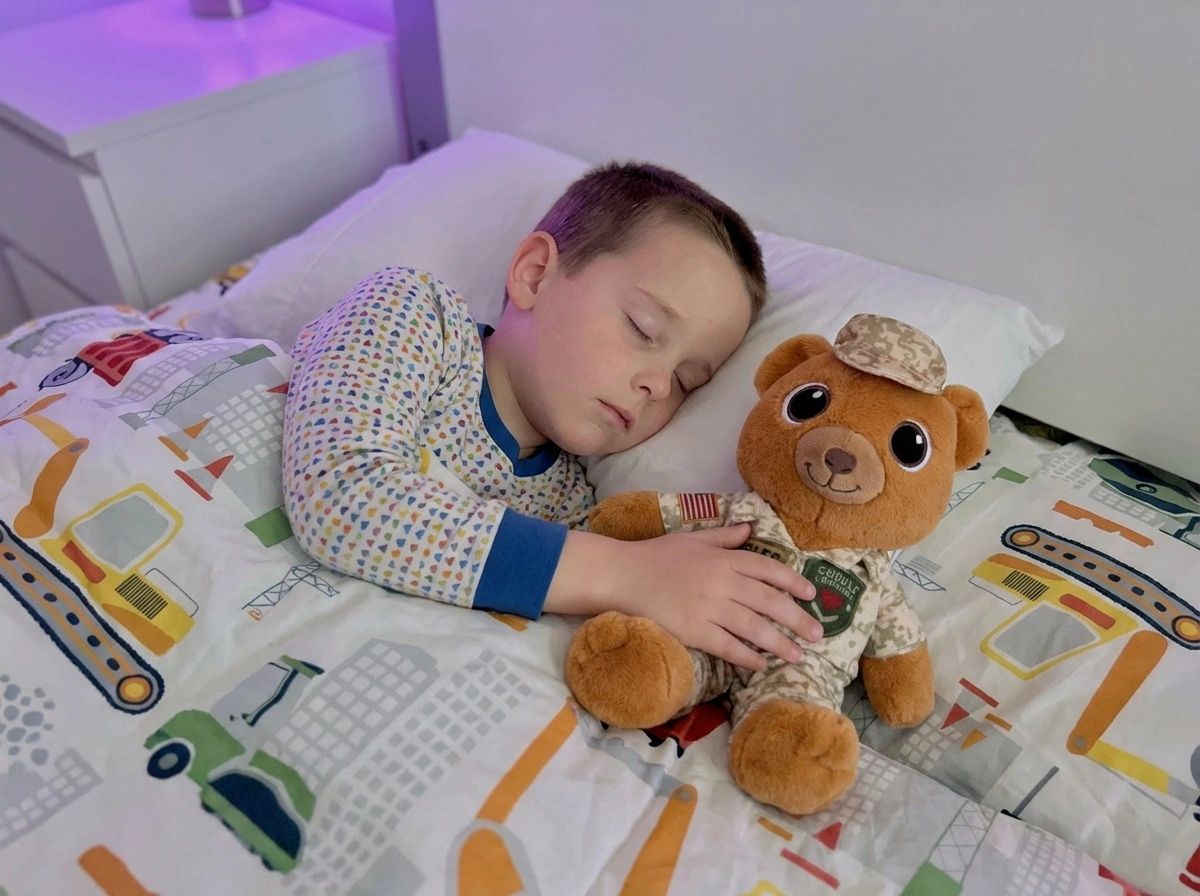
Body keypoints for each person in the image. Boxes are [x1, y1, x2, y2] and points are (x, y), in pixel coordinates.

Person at [282, 162, 821, 671]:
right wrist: (623, 573)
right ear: (535, 274)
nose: (658, 385)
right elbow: (340, 495)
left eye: (687, 381)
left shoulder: (571, 507)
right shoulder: (417, 315)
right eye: (643, 328)